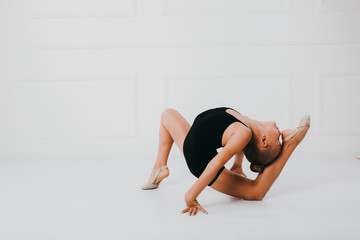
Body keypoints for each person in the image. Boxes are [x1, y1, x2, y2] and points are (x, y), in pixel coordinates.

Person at [141, 107, 310, 216]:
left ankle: (159, 167)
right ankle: (159, 167)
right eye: (280, 140)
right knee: (255, 191)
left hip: (195, 151)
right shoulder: (245, 129)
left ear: (263, 141)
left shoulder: (242, 123)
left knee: (167, 114)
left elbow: (227, 153)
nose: (279, 133)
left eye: (279, 140)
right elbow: (231, 150)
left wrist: (236, 165)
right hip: (196, 155)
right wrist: (191, 195)